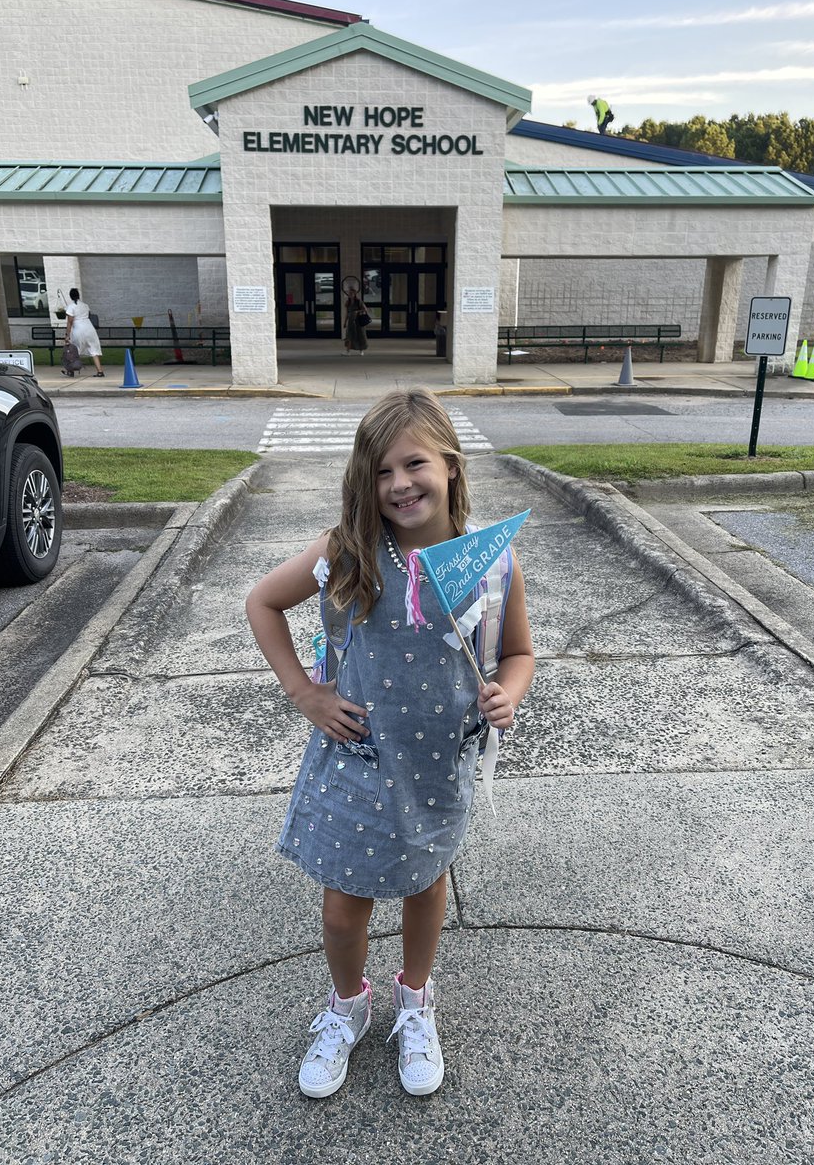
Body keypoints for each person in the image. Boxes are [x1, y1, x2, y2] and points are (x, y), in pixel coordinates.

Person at [246, 388, 534, 1099]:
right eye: (381, 471)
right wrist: (305, 694)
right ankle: (348, 1006)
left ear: (452, 467)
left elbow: (519, 654)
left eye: (415, 464)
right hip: (358, 760)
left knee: (424, 886)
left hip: (436, 765)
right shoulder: (347, 554)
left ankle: (415, 999)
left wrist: (509, 692)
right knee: (343, 906)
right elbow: (263, 602)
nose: (400, 484)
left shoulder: (490, 564)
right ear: (363, 481)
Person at [64, 287, 104, 376]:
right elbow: (88, 315)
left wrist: (67, 335)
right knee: (94, 350)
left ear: (70, 296)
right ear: (78, 296)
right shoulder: (85, 305)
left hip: (79, 329)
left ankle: (71, 371)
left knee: (73, 351)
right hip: (89, 328)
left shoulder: (71, 307)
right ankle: (100, 371)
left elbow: (70, 322)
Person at [342, 284, 368, 356]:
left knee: (360, 335)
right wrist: (345, 322)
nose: (350, 295)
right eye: (349, 293)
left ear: (354, 294)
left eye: (351, 293)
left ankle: (361, 350)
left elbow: (365, 309)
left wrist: (357, 311)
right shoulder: (348, 302)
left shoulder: (359, 301)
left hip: (358, 320)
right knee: (350, 335)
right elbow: (347, 313)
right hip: (351, 321)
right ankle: (348, 351)